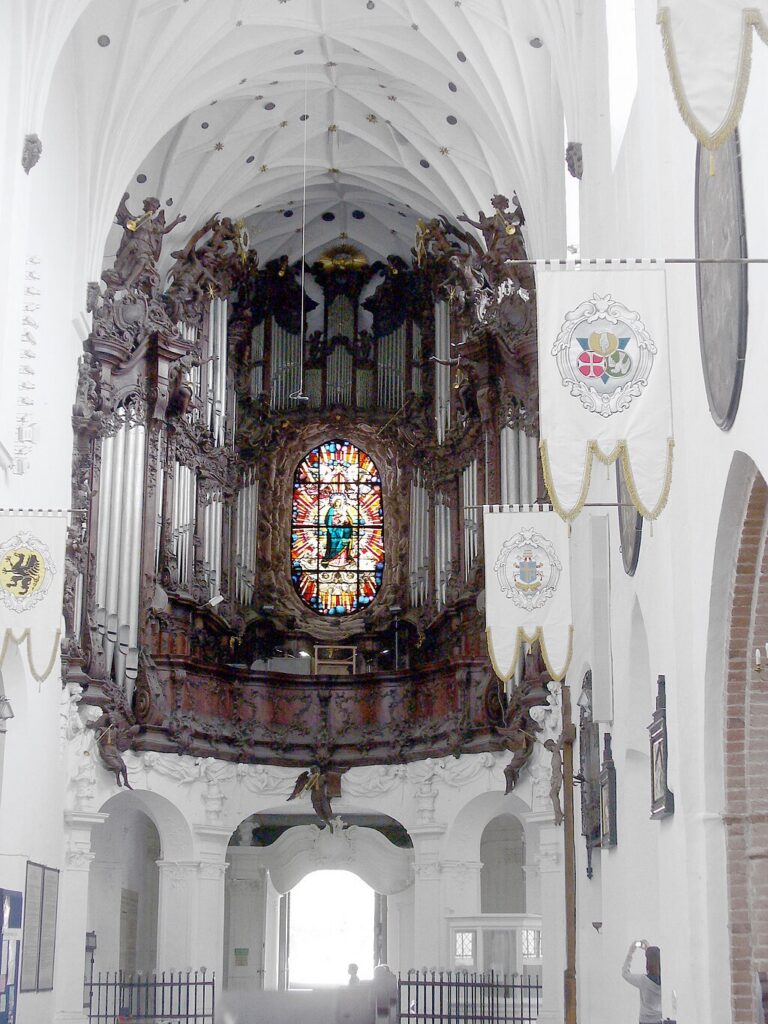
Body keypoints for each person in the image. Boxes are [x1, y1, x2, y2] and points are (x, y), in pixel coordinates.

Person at [621, 940, 662, 1024]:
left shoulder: (642, 981)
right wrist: (649, 951)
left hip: (645, 1020)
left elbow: (625, 973)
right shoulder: (664, 981)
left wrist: (631, 951)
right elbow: (655, 963)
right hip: (659, 1019)